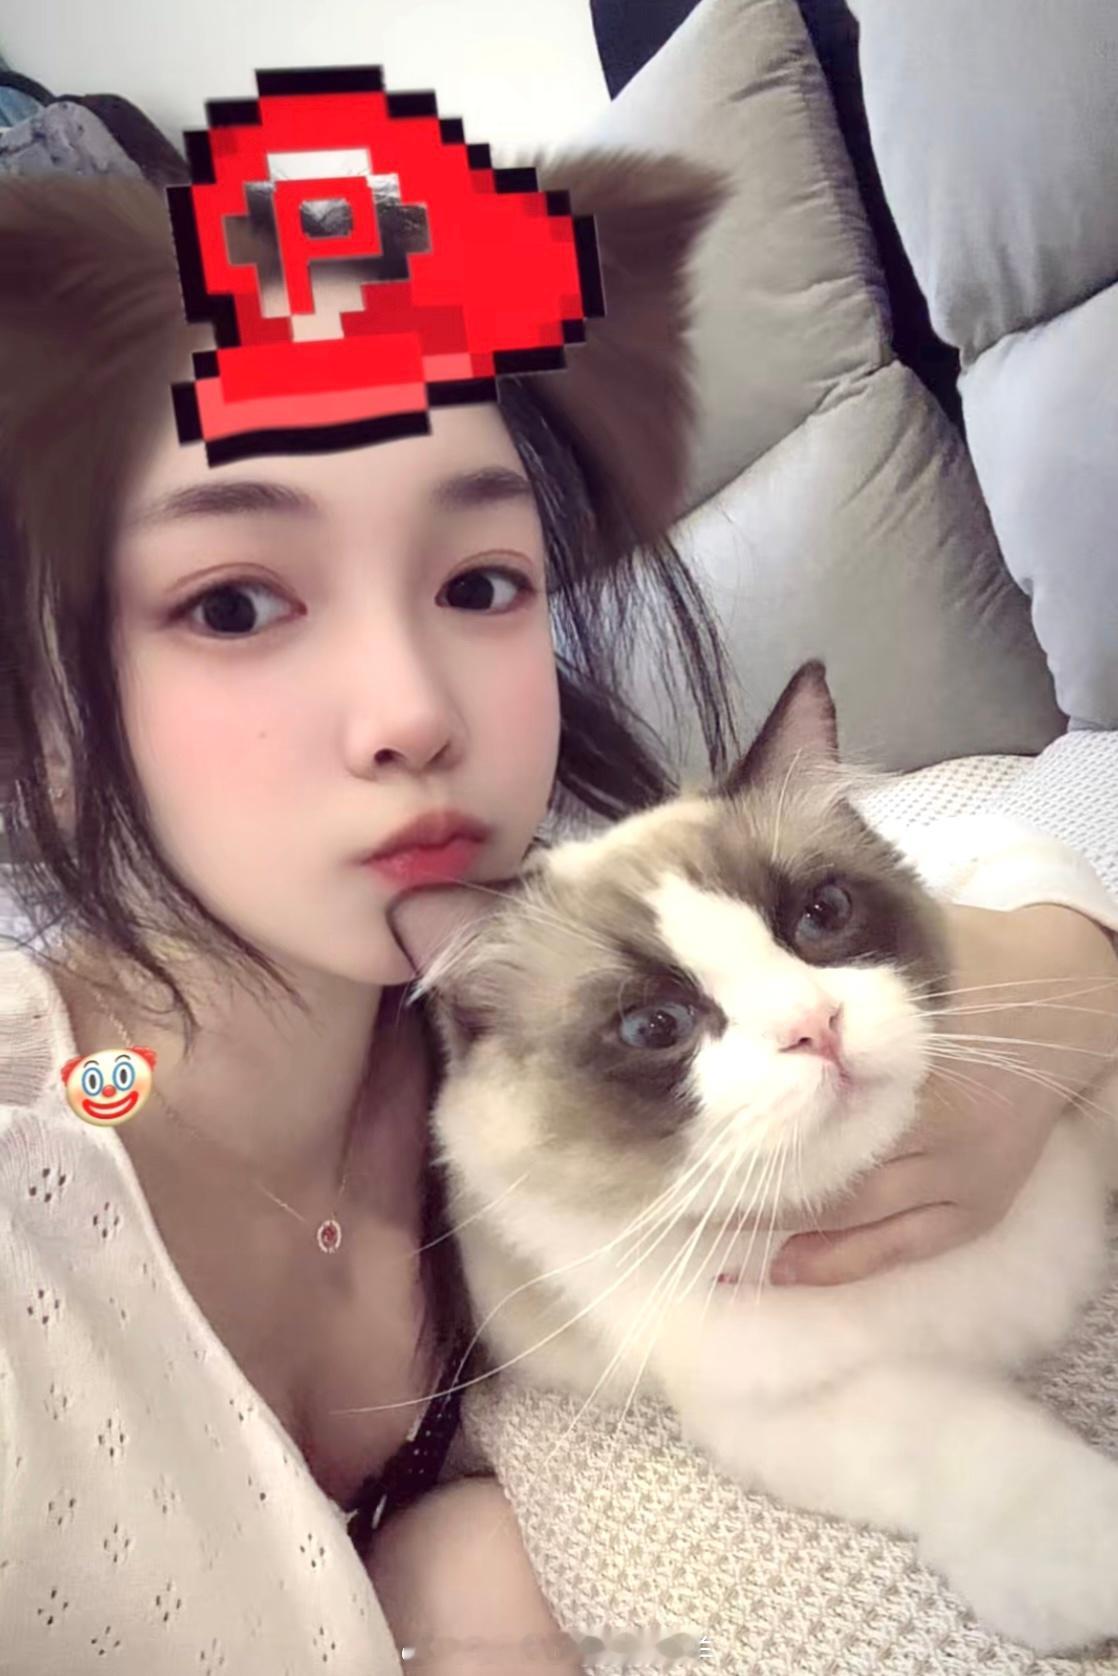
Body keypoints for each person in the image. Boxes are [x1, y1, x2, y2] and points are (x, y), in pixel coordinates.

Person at [1, 136, 1116, 1676]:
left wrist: (1056, 1000)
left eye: (478, 581)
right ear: (39, 714)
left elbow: (1009, 860)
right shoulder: (45, 1170)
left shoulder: (528, 969)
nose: (414, 709)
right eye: (236, 603)